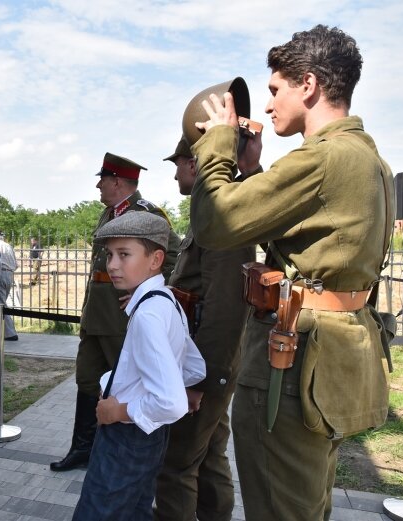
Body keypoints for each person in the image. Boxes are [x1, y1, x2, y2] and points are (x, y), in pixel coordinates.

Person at [190, 25, 394, 520]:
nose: (267, 106)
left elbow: (215, 222)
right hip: (329, 362)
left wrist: (217, 142)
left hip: (293, 360)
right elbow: (312, 247)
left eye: (275, 90)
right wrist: (257, 174)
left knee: (278, 507)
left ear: (309, 85)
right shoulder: (368, 157)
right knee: (306, 503)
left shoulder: (323, 157)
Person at [51, 152, 181, 472]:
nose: (98, 185)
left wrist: (145, 291)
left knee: (126, 387)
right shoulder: (109, 213)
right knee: (87, 379)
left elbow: (174, 256)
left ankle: (129, 458)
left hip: (123, 319)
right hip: (97, 314)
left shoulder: (147, 214)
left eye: (103, 179)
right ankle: (83, 449)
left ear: (118, 182)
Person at [72, 211, 205, 520]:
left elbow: (171, 404)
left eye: (124, 254)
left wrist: (118, 411)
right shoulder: (166, 300)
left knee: (98, 512)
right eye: (109, 254)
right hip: (150, 436)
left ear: (155, 259)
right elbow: (194, 365)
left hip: (126, 435)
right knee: (134, 511)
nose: (113, 264)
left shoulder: (147, 314)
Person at [153, 137, 254, 521]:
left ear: (195, 165)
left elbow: (225, 311)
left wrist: (198, 381)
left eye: (178, 163)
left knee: (176, 465)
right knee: (208, 454)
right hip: (202, 361)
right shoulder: (210, 215)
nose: (176, 171)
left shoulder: (224, 219)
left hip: (203, 365)